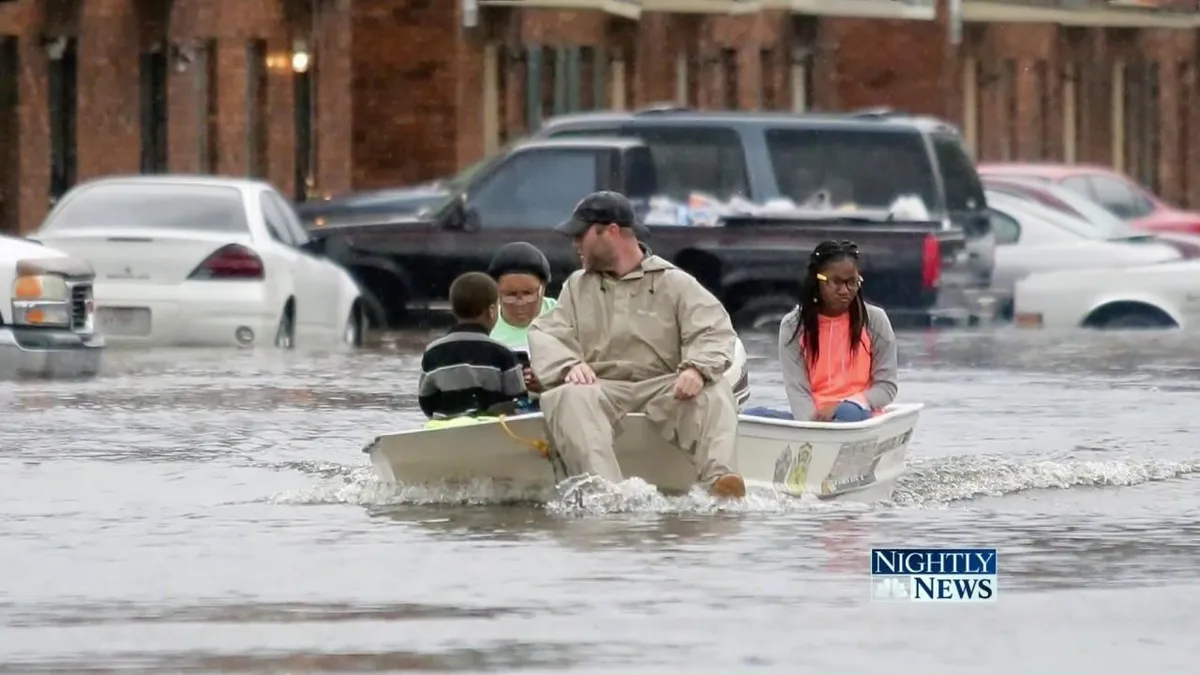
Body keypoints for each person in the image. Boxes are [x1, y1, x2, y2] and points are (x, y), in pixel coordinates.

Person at [528, 191, 746, 499]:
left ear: (612, 231)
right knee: (565, 397)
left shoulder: (675, 282)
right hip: (602, 389)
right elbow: (547, 333)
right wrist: (569, 365)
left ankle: (722, 482)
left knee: (715, 390)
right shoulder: (576, 286)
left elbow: (714, 331)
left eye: (581, 234)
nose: (575, 243)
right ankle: (605, 491)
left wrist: (696, 369)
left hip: (666, 388)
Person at [744, 240, 898, 422]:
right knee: (748, 417)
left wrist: (847, 404)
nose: (845, 291)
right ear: (817, 280)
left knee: (847, 413)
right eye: (836, 282)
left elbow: (886, 387)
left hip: (860, 414)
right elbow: (797, 390)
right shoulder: (793, 325)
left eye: (852, 282)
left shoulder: (875, 320)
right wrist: (813, 425)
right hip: (812, 420)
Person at [417, 272, 527, 421]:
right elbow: (517, 399)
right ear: (492, 312)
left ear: (454, 311)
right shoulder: (503, 353)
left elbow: (426, 400)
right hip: (489, 430)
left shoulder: (433, 351)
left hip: (444, 430)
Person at [487, 242, 557, 411]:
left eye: (528, 294)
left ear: (543, 288)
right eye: (510, 295)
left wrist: (548, 381)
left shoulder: (562, 314)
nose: (520, 303)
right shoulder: (485, 320)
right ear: (496, 292)